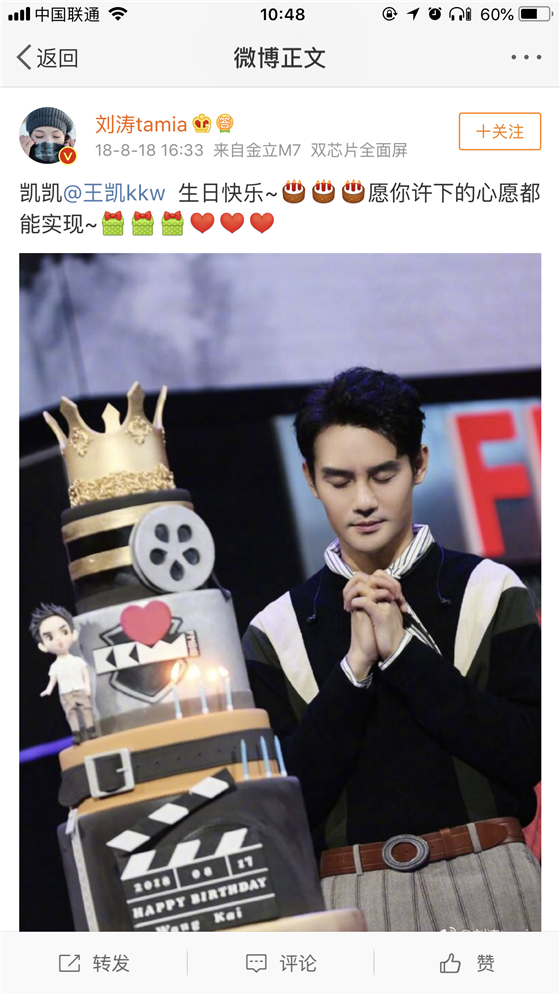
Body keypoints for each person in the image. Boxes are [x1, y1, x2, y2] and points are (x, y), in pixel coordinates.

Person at [243, 367, 541, 931]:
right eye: (339, 481)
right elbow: (283, 807)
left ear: (419, 464)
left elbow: (529, 754)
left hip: (493, 872)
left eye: (383, 475)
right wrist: (354, 670)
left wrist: (404, 654)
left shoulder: (489, 590)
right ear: (310, 479)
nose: (363, 501)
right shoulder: (276, 631)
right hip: (350, 891)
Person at [30, 603, 96, 745]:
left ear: (73, 634)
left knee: (86, 709)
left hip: (79, 689)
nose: (59, 639)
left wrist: (87, 686)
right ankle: (76, 733)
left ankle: (91, 729)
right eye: (50, 637)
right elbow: (52, 680)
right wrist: (48, 690)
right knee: (70, 712)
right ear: (43, 646)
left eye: (64, 632)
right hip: (65, 693)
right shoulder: (55, 666)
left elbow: (85, 673)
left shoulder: (77, 660)